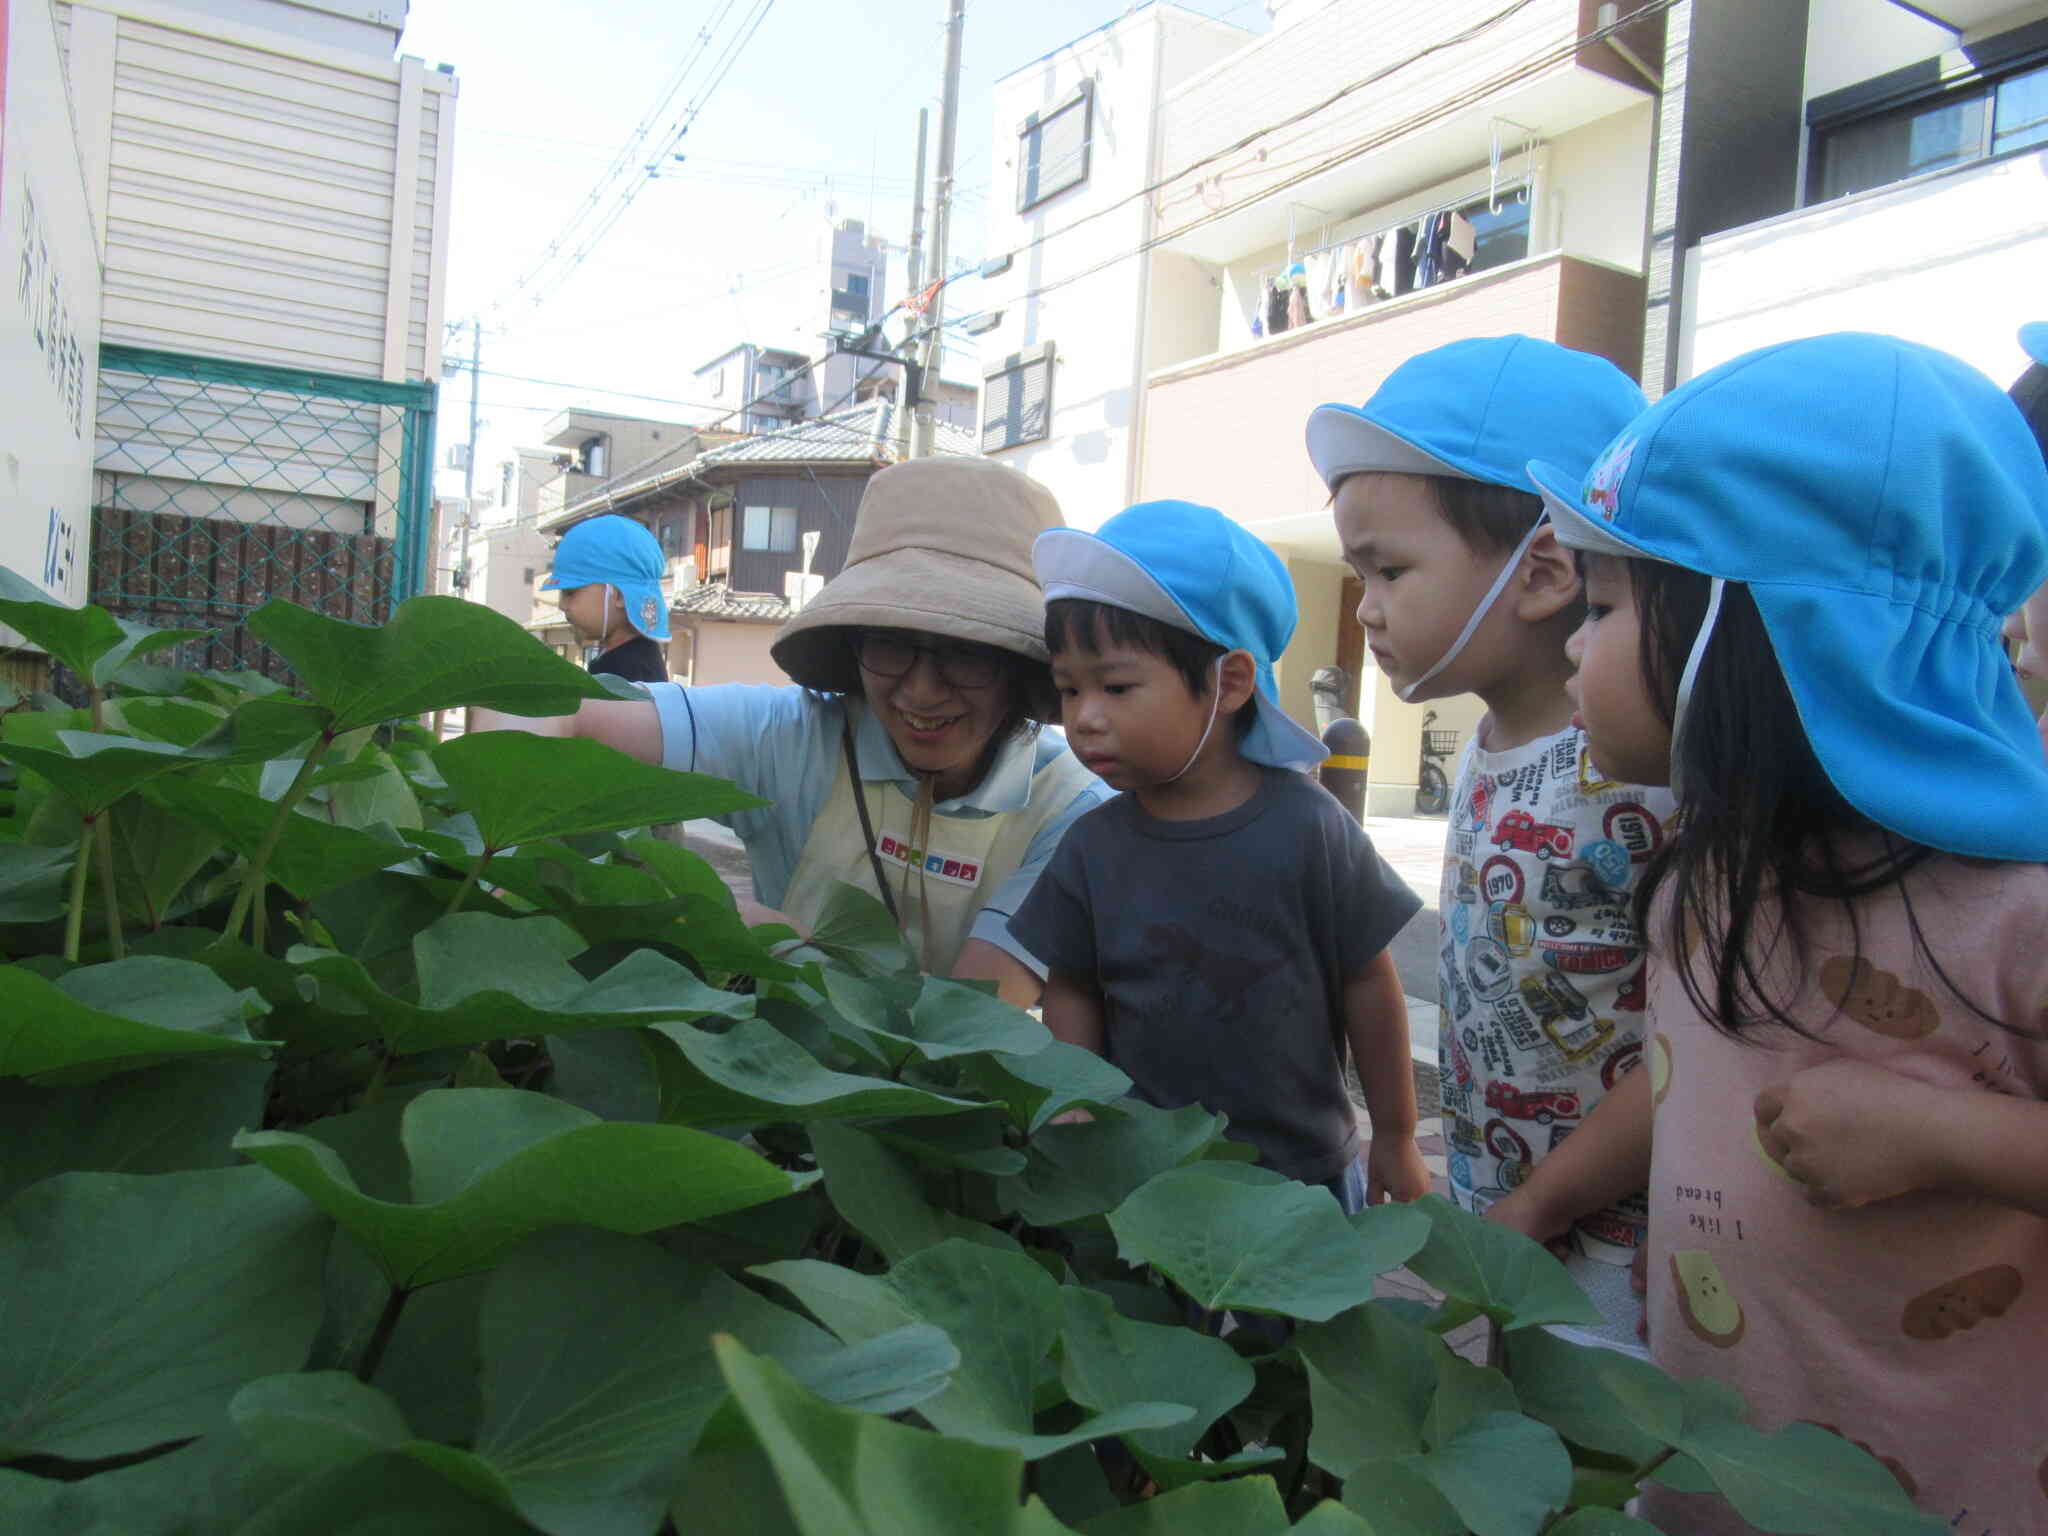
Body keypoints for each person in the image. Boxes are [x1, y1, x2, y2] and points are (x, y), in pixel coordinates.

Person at [1529, 331, 2048, 1534]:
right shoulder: (1707, 881)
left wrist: (1946, 1135)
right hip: (1712, 1476)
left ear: (1769, 633)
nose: (1568, 642)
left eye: (1602, 603)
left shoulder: (2014, 910)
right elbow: (1682, 1085)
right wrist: (1537, 1203)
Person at [1306, 336, 1667, 1346]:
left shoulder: (1642, 769)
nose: (1366, 609)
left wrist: (1541, 1205)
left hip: (1620, 1257)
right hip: (1503, 1213)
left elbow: (1700, 1047)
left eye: (1387, 570)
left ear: (1543, 569)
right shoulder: (1485, 741)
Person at [472, 457, 1108, 1007]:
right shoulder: (794, 735)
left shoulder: (1071, 812)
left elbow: (973, 1018)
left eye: (967, 653)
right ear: (852, 646)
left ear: (1022, 666)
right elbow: (543, 704)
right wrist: (498, 839)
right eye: (889, 644)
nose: (920, 690)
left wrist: (735, 922)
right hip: (769, 1082)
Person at [1007, 501, 1427, 1211]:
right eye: (1068, 688)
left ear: (1229, 683)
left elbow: (1369, 984)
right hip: (1143, 1166)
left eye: (1115, 685)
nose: (1084, 716)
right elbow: (1071, 986)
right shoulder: (1092, 844)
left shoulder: (1309, 828)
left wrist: (1397, 1132)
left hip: (1299, 1175)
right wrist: (1076, 1104)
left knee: (1304, 1322)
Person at [540, 514, 673, 684]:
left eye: (570, 592)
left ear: (619, 595)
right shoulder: (636, 659)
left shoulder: (626, 674)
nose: (561, 605)